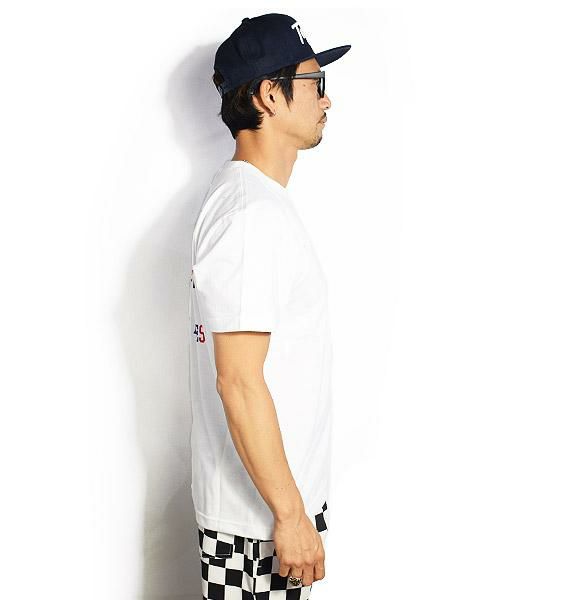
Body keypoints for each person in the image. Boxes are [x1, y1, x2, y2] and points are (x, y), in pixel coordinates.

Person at [188, 12, 350, 598]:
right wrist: (289, 515)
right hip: (257, 527)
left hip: (270, 513)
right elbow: (237, 381)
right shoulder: (249, 216)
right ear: (268, 95)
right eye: (314, 81)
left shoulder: (254, 203)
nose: (327, 99)